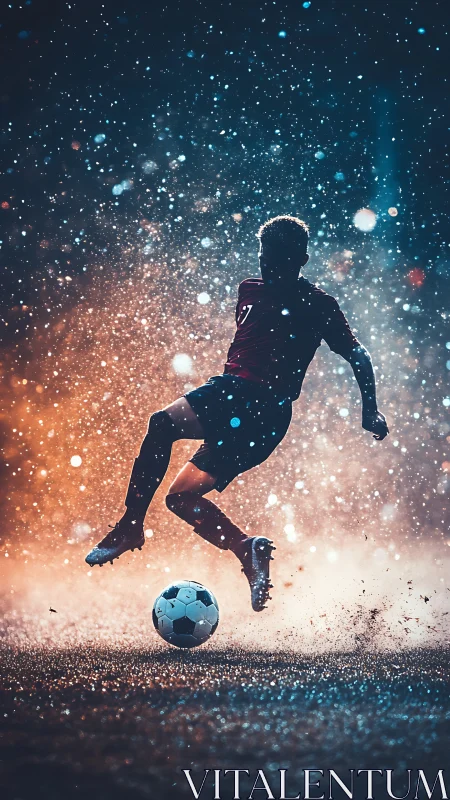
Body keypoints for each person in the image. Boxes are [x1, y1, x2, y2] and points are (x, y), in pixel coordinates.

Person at [85, 215, 389, 611]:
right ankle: (246, 548)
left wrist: (370, 409)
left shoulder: (318, 304)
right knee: (180, 497)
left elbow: (358, 354)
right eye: (264, 257)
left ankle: (129, 527)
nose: (268, 266)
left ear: (301, 260)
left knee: (161, 425)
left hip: (247, 397)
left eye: (278, 260)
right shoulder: (249, 290)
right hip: (267, 420)